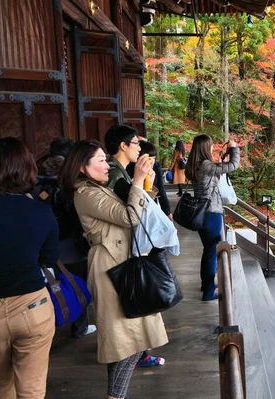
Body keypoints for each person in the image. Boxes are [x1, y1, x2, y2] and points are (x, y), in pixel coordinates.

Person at [59, 140, 169, 399]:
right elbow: (129, 216)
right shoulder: (85, 193)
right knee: (126, 342)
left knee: (126, 341)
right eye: (99, 160)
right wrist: (137, 178)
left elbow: (137, 211)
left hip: (120, 263)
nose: (106, 164)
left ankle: (116, 396)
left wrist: (145, 184)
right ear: (83, 168)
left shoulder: (96, 188)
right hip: (110, 268)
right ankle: (115, 396)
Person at [0, 137, 59, 399]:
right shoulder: (41, 211)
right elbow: (49, 258)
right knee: (33, 388)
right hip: (32, 305)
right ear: (28, 168)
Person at [104, 126, 165, 369]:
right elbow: (133, 213)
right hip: (118, 249)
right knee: (129, 310)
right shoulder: (114, 175)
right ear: (123, 145)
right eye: (136, 143)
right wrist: (141, 181)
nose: (140, 148)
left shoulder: (122, 172)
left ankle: (138, 354)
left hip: (126, 245)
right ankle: (133, 358)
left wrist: (144, 180)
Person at [32, 137, 96, 338]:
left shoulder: (34, 173)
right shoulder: (67, 176)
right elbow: (71, 210)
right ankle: (80, 326)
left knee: (48, 284)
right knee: (77, 282)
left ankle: (48, 326)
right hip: (68, 241)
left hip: (40, 240)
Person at [186, 135, 240, 301]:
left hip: (202, 214)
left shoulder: (195, 165)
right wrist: (233, 149)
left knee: (207, 251)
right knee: (211, 252)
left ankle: (206, 284)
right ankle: (208, 291)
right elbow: (233, 165)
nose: (212, 148)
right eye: (210, 146)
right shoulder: (205, 165)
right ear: (204, 148)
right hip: (211, 214)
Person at [127, 140, 171, 219]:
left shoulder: (155, 167)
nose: (152, 162)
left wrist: (167, 212)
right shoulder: (131, 170)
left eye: (154, 158)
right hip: (137, 210)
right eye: (149, 158)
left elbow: (161, 189)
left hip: (152, 206)